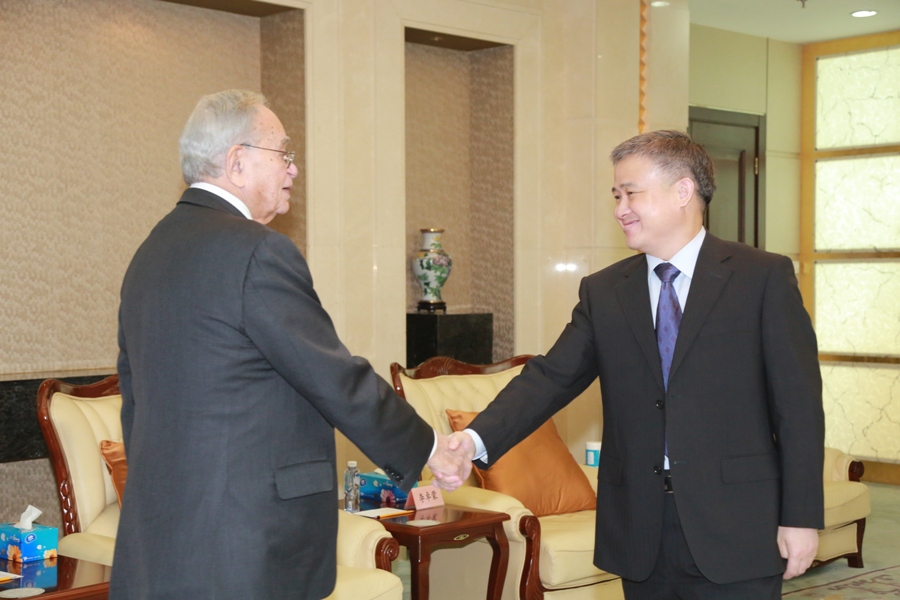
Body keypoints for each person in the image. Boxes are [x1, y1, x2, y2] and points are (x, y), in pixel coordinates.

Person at [110, 89, 470, 600]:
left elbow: (136, 402)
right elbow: (334, 377)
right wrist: (430, 447)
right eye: (283, 153)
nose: (293, 169)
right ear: (237, 163)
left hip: (164, 541)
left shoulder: (150, 252)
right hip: (246, 547)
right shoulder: (257, 251)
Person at [450, 130, 825, 599]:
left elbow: (798, 407)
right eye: (616, 195)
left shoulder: (761, 277)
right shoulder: (605, 291)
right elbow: (550, 377)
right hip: (641, 529)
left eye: (631, 193)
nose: (620, 209)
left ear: (683, 191)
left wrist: (800, 517)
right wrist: (472, 440)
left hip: (738, 525)